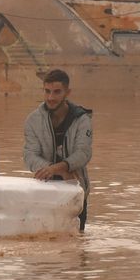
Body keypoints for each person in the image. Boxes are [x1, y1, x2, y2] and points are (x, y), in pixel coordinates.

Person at [23, 69, 93, 230]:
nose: (50, 97)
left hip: (76, 189)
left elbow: (84, 153)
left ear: (67, 92)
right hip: (45, 189)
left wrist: (61, 167)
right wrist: (54, 171)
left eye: (56, 92)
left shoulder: (82, 119)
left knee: (77, 244)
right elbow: (29, 155)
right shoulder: (33, 120)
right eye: (47, 91)